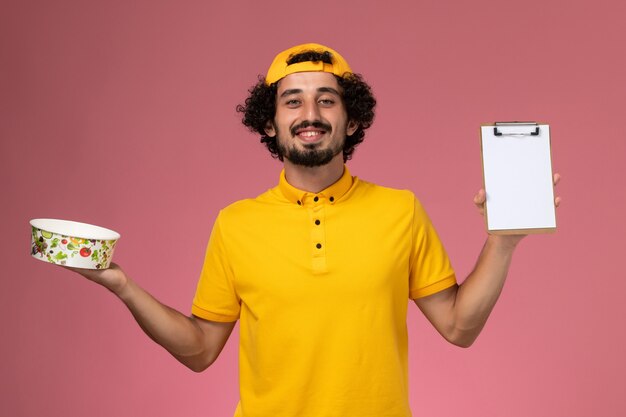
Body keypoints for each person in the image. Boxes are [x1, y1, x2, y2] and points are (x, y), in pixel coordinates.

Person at [70, 43, 561, 417]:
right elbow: (199, 350)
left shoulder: (401, 210)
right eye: (293, 102)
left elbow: (458, 327)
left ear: (351, 121)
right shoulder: (235, 223)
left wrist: (502, 242)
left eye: (327, 101)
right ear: (270, 123)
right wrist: (124, 286)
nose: (310, 115)